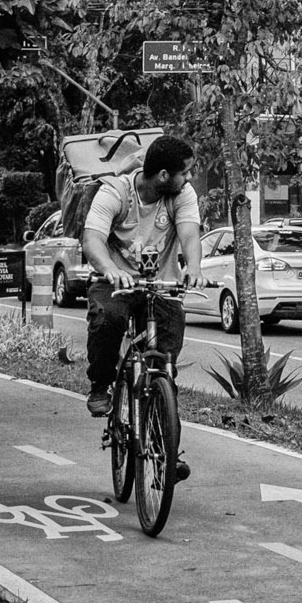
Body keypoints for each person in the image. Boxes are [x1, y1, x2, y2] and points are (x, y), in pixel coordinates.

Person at [83, 132, 203, 478]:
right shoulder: (116, 192)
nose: (190, 178)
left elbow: (190, 233)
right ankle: (100, 385)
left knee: (164, 368)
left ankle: (165, 446)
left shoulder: (182, 195)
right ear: (163, 176)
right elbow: (92, 238)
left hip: (160, 285)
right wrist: (109, 270)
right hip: (116, 283)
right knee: (106, 319)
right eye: (186, 172)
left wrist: (193, 268)